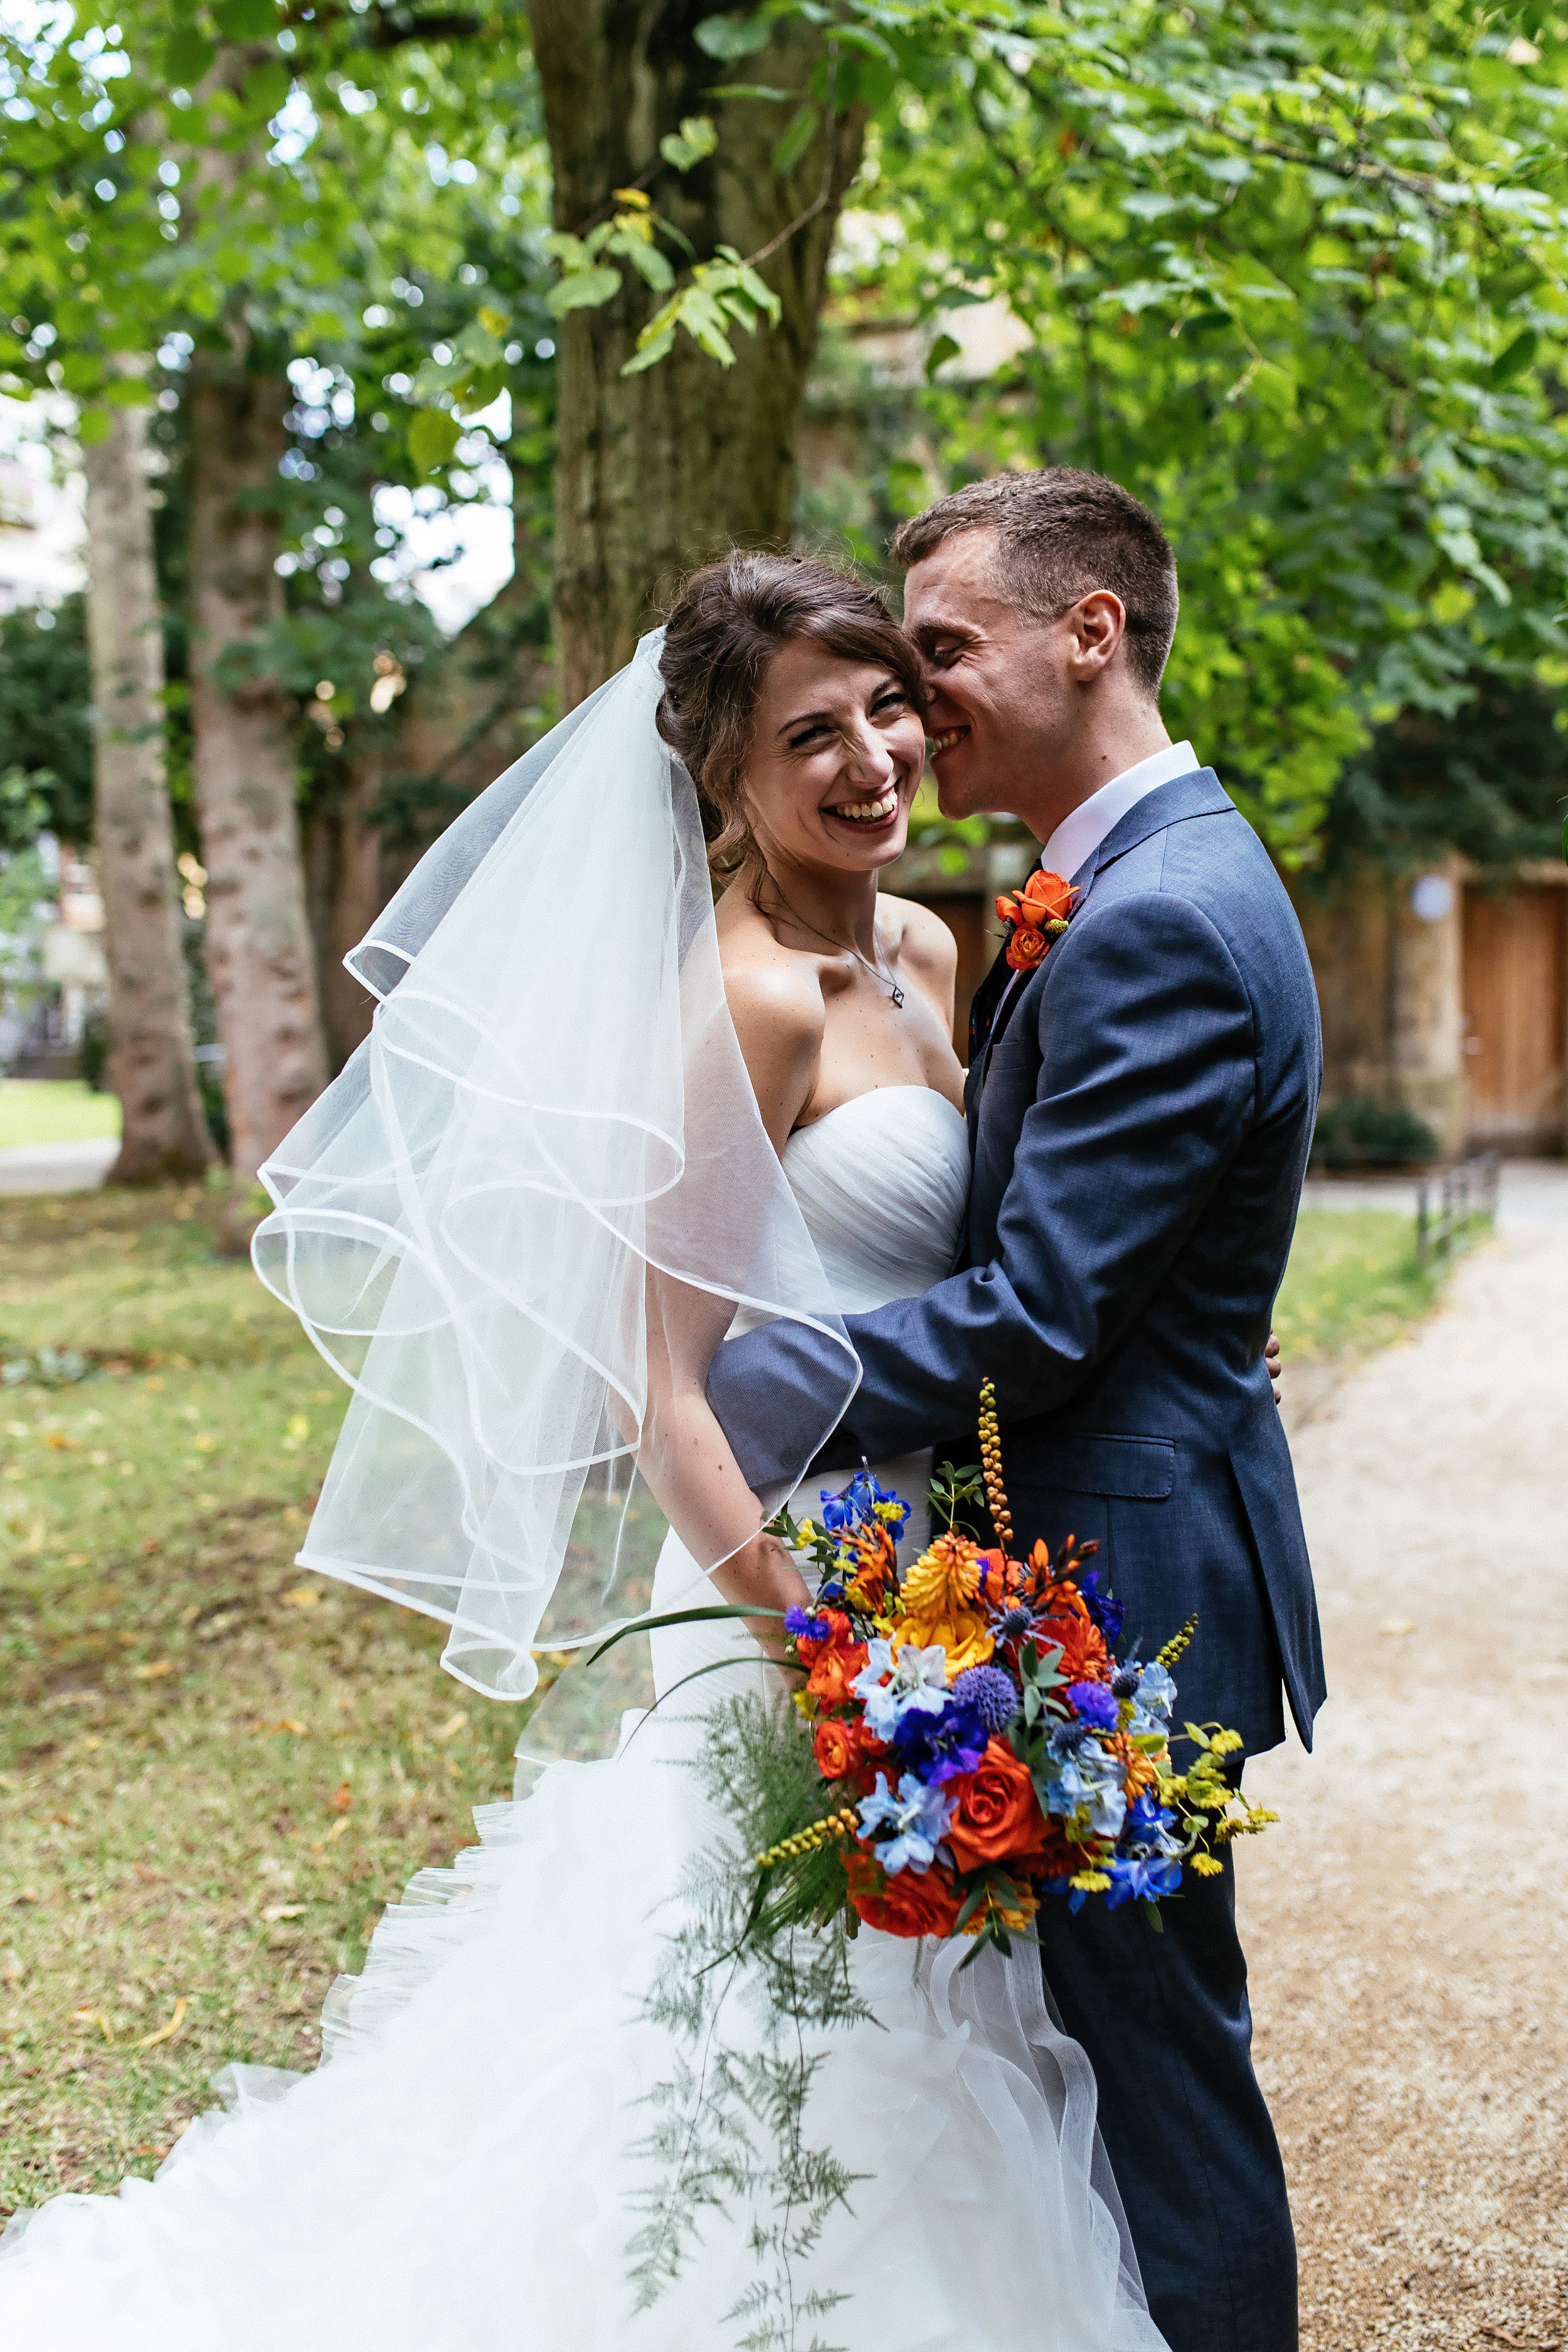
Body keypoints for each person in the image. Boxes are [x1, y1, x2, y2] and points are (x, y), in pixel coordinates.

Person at [0, 551, 1168, 2351]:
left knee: (941, 2023)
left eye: (883, 708)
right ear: (721, 776)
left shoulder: (935, 944)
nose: (871, 759)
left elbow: (1016, 1264)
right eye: (809, 735)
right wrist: (817, 1651)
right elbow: (662, 1390)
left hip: (949, 1573)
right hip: (792, 1594)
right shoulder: (749, 1002)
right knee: (759, 2038)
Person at [707, 472, 1325, 2352]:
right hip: (1058, 1540)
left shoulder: (1148, 913)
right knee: (1077, 2065)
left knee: (1151, 2076)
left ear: (1089, 631)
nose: (919, 704)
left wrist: (732, 1390)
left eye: (944, 654)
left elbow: (1044, 1313)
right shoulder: (1132, 877)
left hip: (1114, 1567)